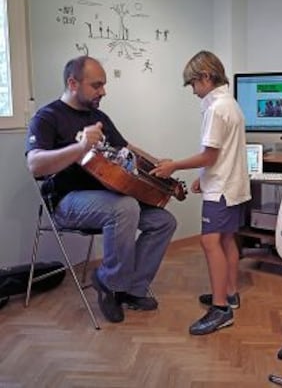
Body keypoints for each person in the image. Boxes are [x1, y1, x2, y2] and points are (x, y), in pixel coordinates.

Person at [25, 55, 177, 323]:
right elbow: (35, 165)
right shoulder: (47, 117)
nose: (103, 91)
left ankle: (132, 289)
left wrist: (159, 164)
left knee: (164, 221)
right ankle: (109, 283)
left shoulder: (98, 116)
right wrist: (80, 147)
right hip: (66, 202)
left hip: (110, 198)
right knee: (125, 207)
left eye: (103, 85)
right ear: (73, 83)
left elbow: (125, 147)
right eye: (96, 85)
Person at [150, 50, 251, 335]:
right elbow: (221, 154)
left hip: (221, 190)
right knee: (227, 240)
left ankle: (221, 309)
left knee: (209, 242)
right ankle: (230, 294)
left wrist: (174, 166)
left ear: (206, 77)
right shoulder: (231, 104)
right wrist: (201, 177)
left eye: (193, 84)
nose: (193, 91)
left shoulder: (216, 109)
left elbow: (208, 155)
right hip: (232, 185)